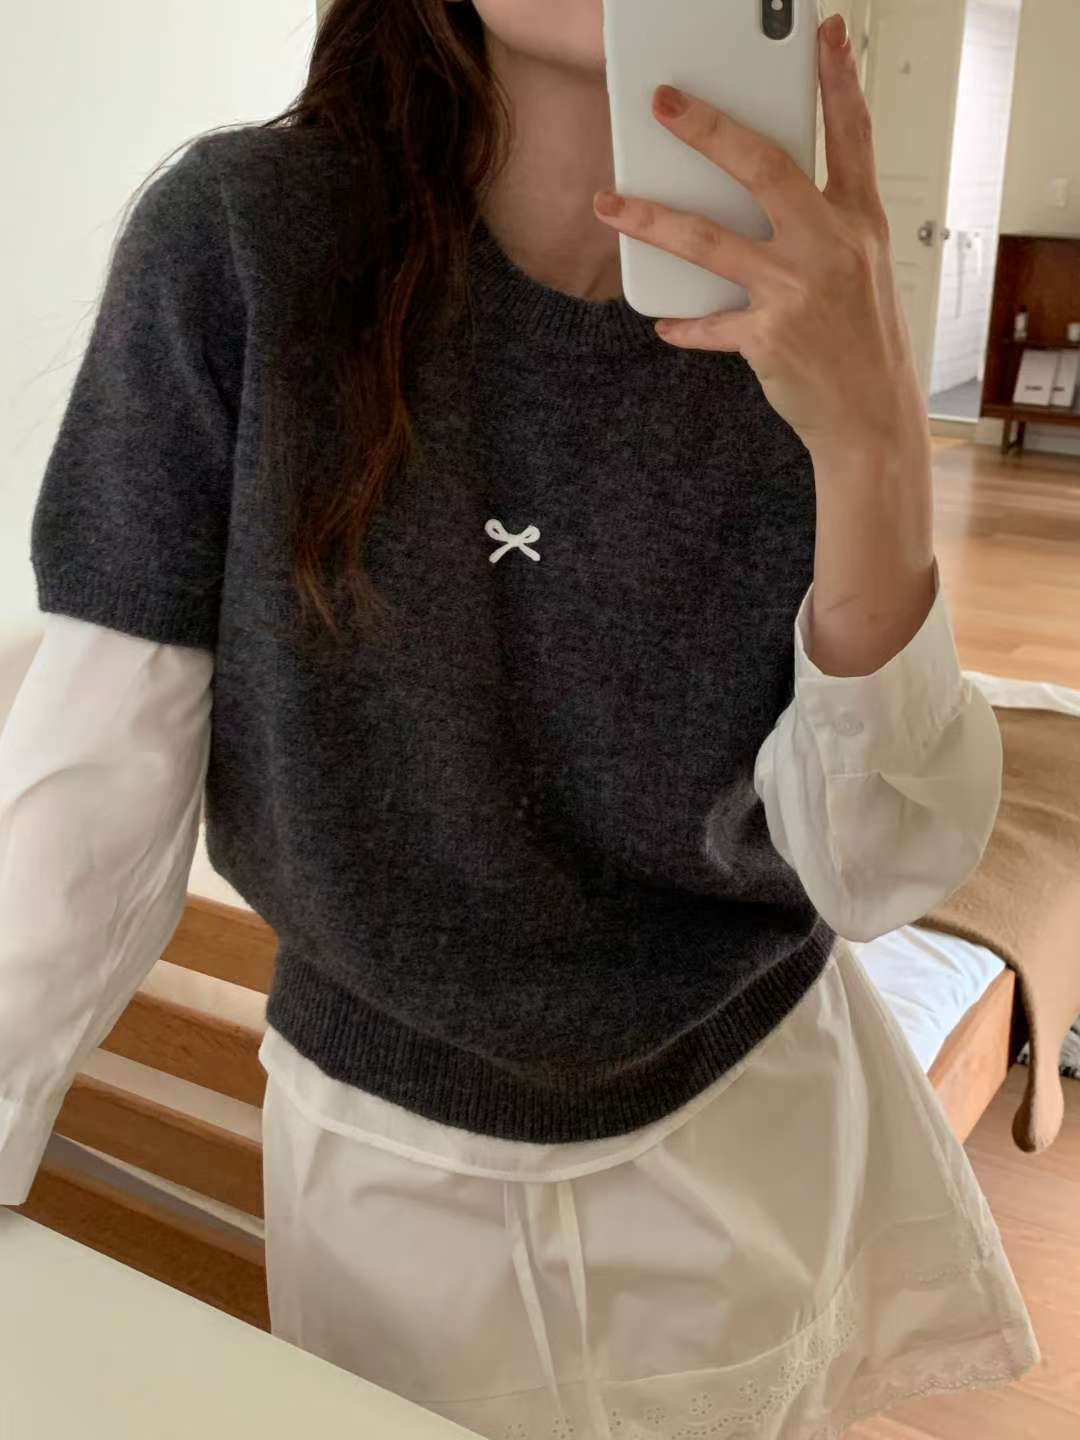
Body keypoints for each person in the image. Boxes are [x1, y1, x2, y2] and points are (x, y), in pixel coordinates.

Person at [0, 3, 1039, 1437]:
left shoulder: (810, 302)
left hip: (752, 1135)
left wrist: (872, 449)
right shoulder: (241, 244)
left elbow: (877, 870)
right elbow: (88, 800)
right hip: (386, 1171)